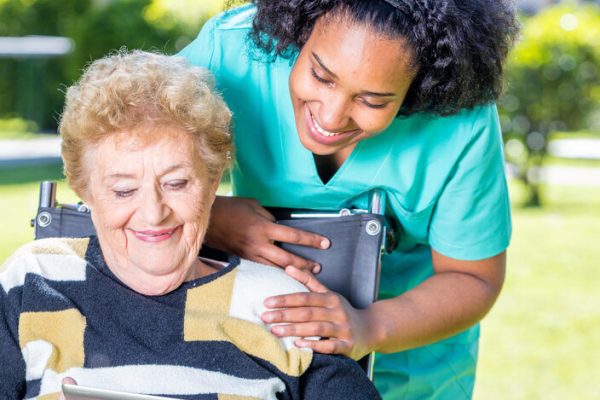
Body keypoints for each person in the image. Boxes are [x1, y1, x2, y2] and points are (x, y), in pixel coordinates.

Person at [179, 0, 518, 398]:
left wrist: (368, 326)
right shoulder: (229, 52)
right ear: (300, 29)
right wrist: (209, 217)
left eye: (373, 101)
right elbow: (118, 165)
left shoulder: (459, 118)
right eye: (321, 76)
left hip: (409, 367)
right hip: (257, 350)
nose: (332, 116)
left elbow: (473, 276)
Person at [0, 50, 380, 400]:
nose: (153, 213)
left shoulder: (279, 306)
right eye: (123, 189)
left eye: (177, 183)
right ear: (86, 190)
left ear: (213, 183)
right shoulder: (34, 280)